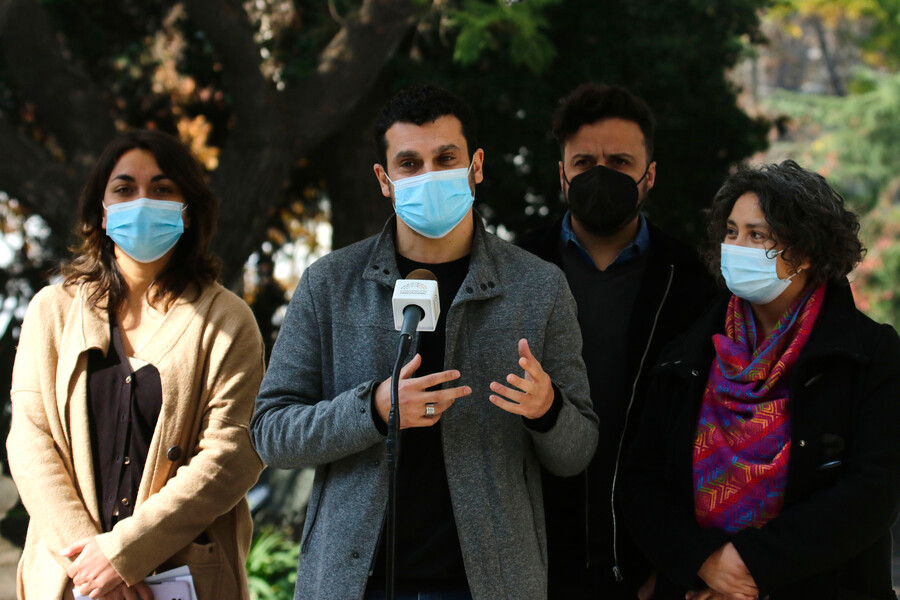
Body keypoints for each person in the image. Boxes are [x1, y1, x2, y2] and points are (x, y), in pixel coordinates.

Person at [251, 84, 599, 600]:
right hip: (353, 583)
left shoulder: (538, 287)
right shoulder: (330, 284)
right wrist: (373, 410)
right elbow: (271, 434)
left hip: (491, 585)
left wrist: (548, 411)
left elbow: (577, 452)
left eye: (446, 158)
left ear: (476, 166)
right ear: (384, 179)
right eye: (410, 164)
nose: (429, 175)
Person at [620, 160, 900, 599]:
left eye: (757, 235)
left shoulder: (870, 354)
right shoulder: (687, 353)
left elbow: (874, 492)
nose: (736, 247)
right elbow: (642, 480)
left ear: (805, 251)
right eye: (731, 232)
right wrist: (705, 562)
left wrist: (752, 568)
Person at [8, 130, 265, 599]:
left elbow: (232, 455)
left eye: (162, 189)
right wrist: (93, 569)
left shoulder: (228, 320)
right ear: (103, 212)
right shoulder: (52, 312)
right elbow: (30, 443)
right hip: (67, 580)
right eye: (124, 188)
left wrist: (125, 555)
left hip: (185, 579)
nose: (142, 201)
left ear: (187, 211)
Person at [518, 83, 716, 598]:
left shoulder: (694, 281)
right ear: (562, 173)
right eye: (584, 162)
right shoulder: (515, 270)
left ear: (650, 175)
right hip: (534, 560)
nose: (601, 175)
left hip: (650, 562)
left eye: (621, 162)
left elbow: (709, 428)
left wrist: (679, 559)